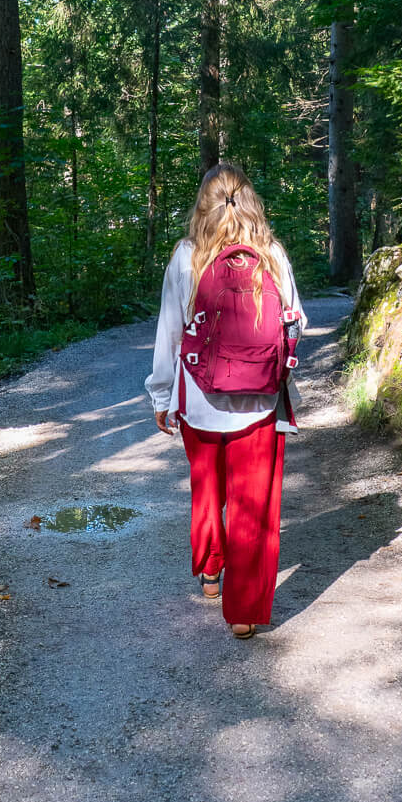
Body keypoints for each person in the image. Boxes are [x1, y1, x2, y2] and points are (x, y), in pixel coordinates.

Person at [145, 162, 306, 639]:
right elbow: (298, 323)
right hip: (260, 402)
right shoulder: (272, 255)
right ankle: (244, 611)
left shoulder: (186, 256)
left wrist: (161, 394)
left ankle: (211, 570)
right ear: (251, 200)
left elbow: (169, 334)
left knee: (208, 487)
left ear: (203, 203)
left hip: (198, 398)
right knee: (254, 506)